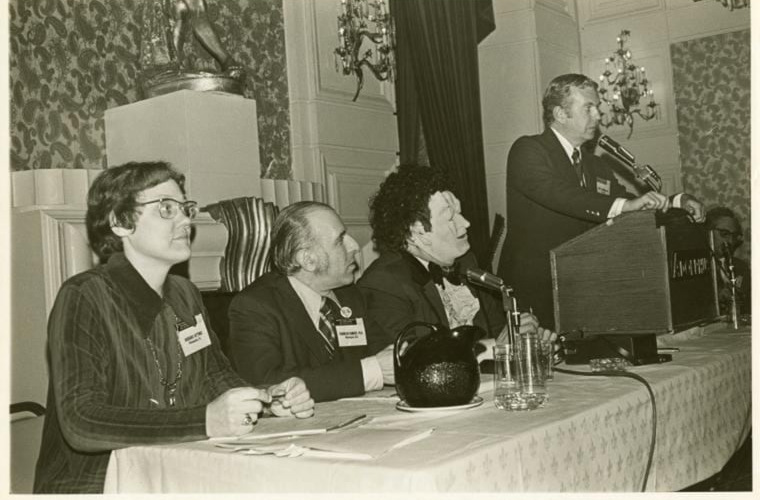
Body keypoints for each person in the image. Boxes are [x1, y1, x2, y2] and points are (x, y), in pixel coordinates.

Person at [34, 161, 314, 494]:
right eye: (166, 208)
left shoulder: (186, 293)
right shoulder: (84, 296)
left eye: (185, 208)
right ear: (121, 222)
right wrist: (204, 421)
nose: (185, 219)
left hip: (174, 472)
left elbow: (214, 376)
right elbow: (82, 422)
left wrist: (266, 401)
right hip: (96, 484)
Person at [498, 73, 706, 330]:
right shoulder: (528, 150)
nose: (598, 116)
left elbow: (631, 201)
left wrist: (676, 203)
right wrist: (622, 206)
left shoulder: (594, 163)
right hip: (536, 288)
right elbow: (557, 193)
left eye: (597, 107)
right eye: (589, 107)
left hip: (583, 289)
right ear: (561, 114)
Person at [358, 164, 551, 358]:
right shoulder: (383, 283)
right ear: (416, 231)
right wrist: (495, 347)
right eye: (451, 218)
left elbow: (497, 330)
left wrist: (525, 341)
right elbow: (411, 358)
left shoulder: (466, 262)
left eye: (460, 213)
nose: (465, 223)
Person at [229, 202, 395, 403]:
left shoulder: (349, 295)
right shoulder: (255, 306)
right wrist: (371, 372)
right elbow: (267, 383)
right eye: (340, 240)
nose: (353, 246)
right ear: (308, 259)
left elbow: (383, 352)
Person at [705, 206, 751, 315]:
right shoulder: (698, 266)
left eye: (734, 235)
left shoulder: (741, 267)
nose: (730, 241)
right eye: (724, 234)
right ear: (707, 232)